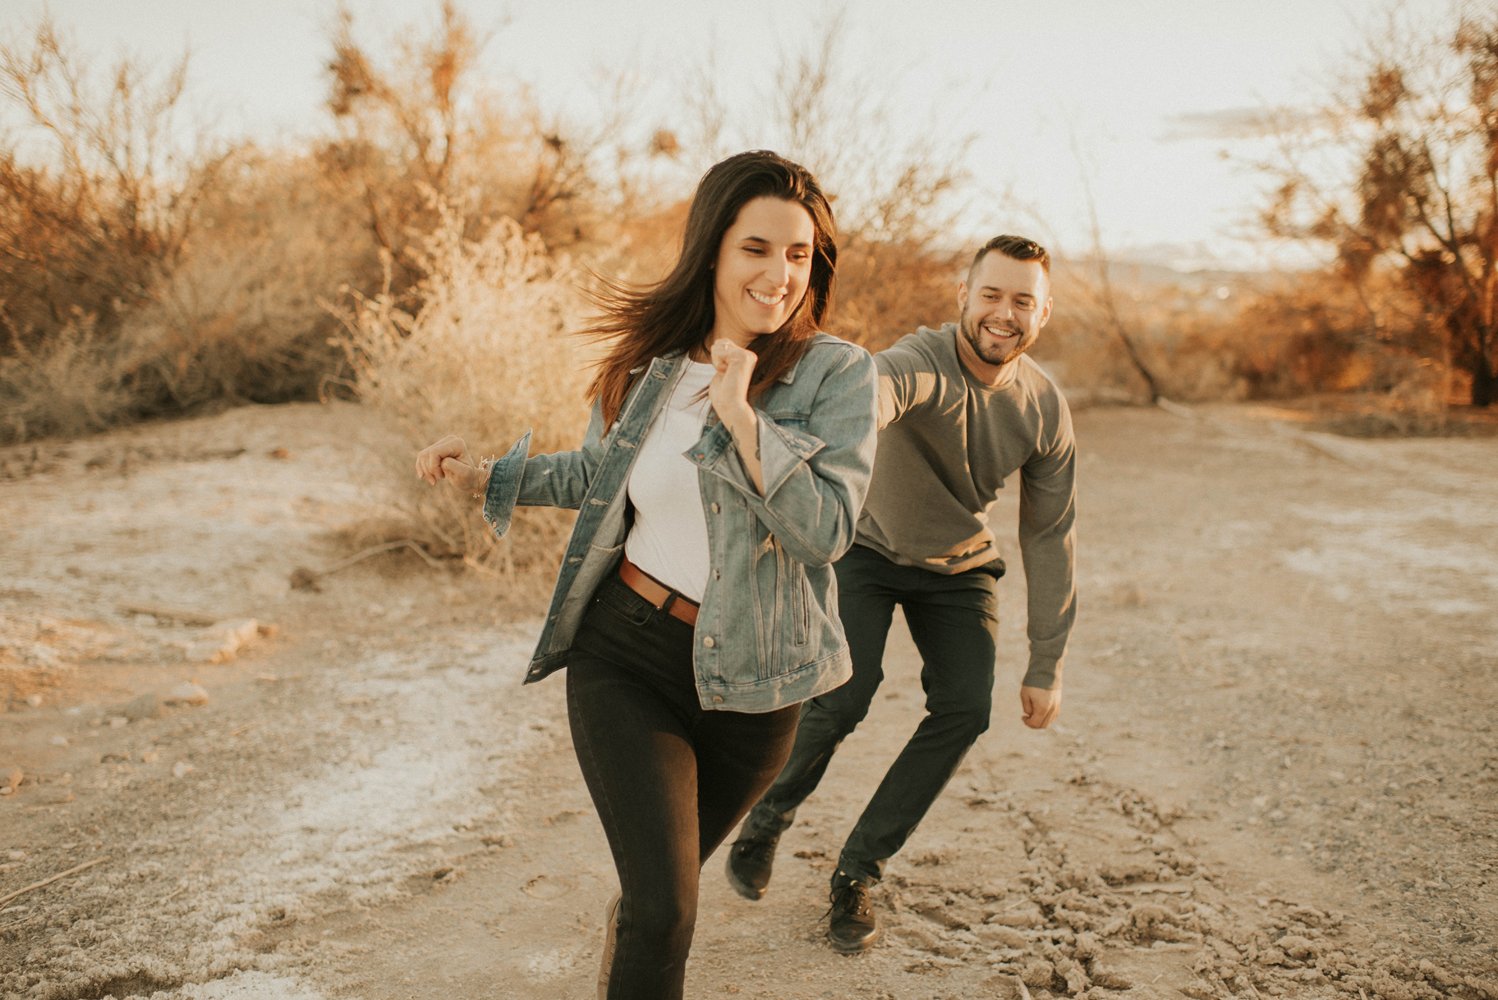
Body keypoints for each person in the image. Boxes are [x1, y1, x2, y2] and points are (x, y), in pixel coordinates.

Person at [414, 150, 878, 999]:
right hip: (627, 656)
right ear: (712, 251)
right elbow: (602, 474)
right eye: (756, 248)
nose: (779, 274)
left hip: (757, 686)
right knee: (666, 911)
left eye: (798, 254)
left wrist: (742, 420)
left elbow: (827, 532)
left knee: (661, 902)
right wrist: (488, 474)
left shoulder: (836, 374)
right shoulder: (654, 366)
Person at [724, 233, 1077, 954]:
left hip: (959, 565)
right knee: (844, 692)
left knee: (965, 708)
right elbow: (871, 397)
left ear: (1043, 312)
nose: (1004, 314)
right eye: (991, 295)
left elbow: (1048, 536)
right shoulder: (917, 361)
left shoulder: (1044, 407)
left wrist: (1047, 661)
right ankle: (768, 816)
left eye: (1022, 301)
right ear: (963, 298)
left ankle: (857, 872)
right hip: (870, 548)